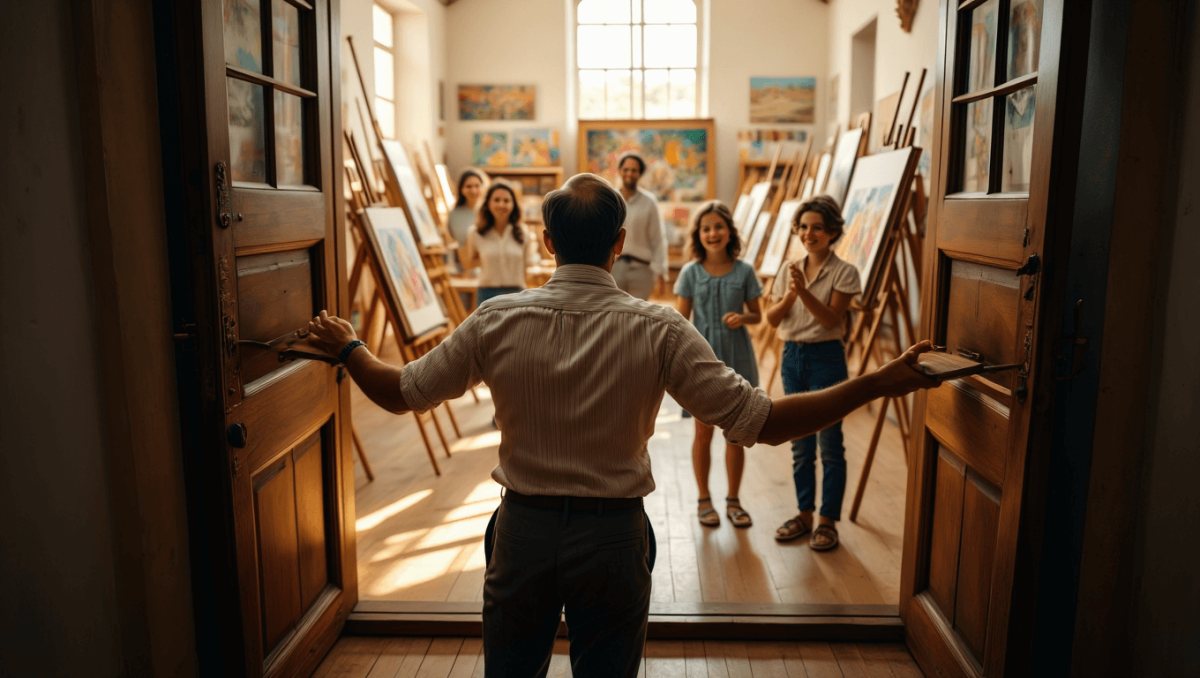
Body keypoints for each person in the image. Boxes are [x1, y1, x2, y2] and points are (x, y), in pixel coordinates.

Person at [304, 174, 938, 677]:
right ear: (619, 241)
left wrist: (348, 346)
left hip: (522, 532)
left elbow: (400, 392)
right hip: (613, 539)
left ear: (546, 242)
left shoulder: (496, 319)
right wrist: (880, 381)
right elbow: (763, 423)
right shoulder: (659, 328)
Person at [765, 195, 861, 551]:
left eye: (817, 227)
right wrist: (791, 295)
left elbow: (831, 319)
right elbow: (771, 319)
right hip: (792, 356)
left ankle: (827, 520)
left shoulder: (845, 272)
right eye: (803, 227)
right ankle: (804, 514)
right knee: (800, 444)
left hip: (827, 358)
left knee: (830, 444)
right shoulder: (788, 269)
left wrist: (803, 291)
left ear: (832, 232)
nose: (809, 233)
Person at [674, 200, 763, 528]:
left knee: (736, 434)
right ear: (698, 234)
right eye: (706, 228)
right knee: (702, 433)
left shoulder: (745, 271)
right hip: (702, 364)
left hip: (738, 360)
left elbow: (758, 315)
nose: (712, 233)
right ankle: (704, 499)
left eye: (718, 227)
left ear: (729, 232)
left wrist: (743, 317)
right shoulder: (690, 272)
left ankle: (733, 500)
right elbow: (679, 321)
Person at [460, 180, 536, 305]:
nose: (501, 204)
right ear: (488, 204)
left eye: (506, 201)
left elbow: (527, 267)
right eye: (496, 200)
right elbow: (470, 263)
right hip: (487, 296)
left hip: (517, 295)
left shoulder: (523, 232)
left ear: (513, 205)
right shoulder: (475, 233)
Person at [611, 152, 669, 300]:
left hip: (642, 270)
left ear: (640, 173)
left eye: (634, 170)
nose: (629, 173)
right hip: (613, 268)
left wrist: (661, 272)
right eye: (626, 169)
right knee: (615, 312)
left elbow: (658, 239)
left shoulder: (649, 202)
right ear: (620, 171)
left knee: (639, 313)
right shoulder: (610, 199)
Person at [448, 168, 488, 249]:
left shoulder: (489, 211)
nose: (473, 191)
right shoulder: (454, 214)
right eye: (468, 186)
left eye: (477, 186)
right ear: (461, 189)